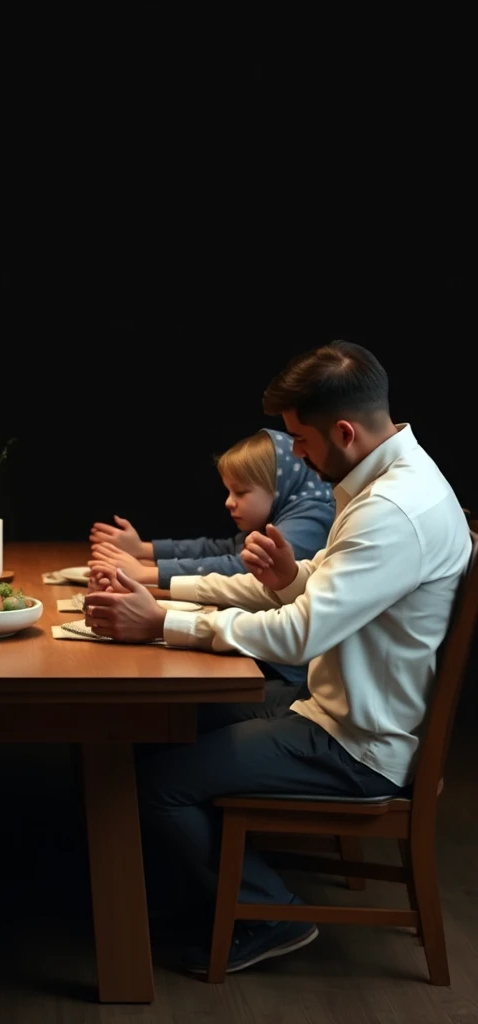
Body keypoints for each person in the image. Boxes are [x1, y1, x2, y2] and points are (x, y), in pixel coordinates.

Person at [84, 341, 471, 974]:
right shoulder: (382, 478)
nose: (293, 454)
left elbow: (298, 636)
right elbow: (313, 591)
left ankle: (268, 913)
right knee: (158, 728)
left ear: (343, 431)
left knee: (159, 784)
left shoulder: (393, 509)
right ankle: (199, 899)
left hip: (358, 746)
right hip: (327, 710)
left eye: (301, 439)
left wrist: (163, 623)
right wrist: (175, 592)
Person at [88, 428, 334, 683]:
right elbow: (223, 548)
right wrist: (144, 550)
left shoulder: (310, 520)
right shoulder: (283, 513)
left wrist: (148, 574)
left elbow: (242, 567)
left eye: (240, 492)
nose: (229, 502)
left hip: (285, 671)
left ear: (278, 487)